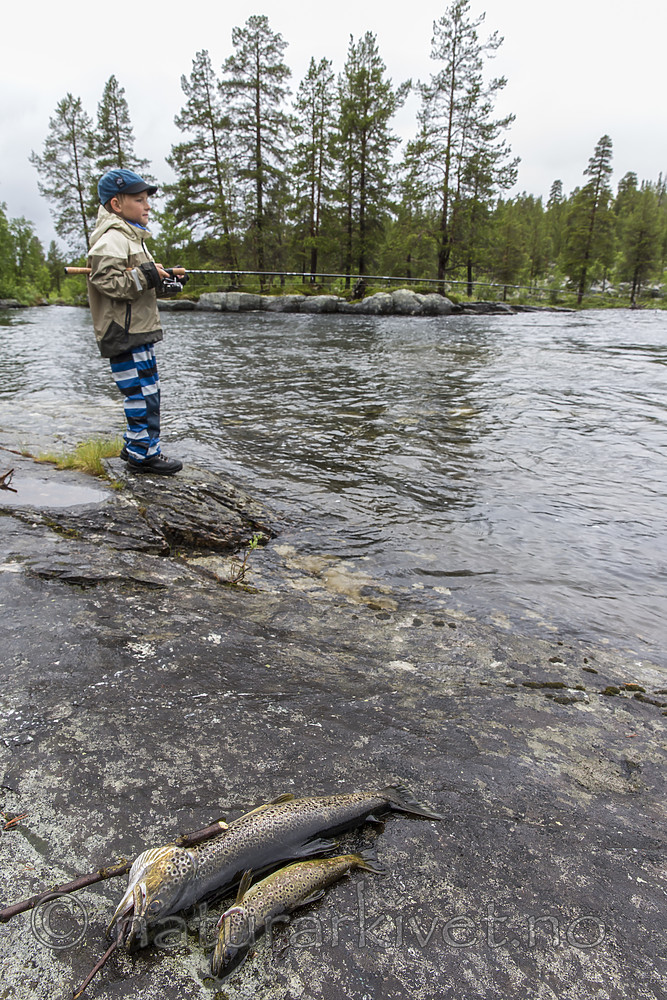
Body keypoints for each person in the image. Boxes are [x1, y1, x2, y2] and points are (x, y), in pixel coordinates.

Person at [87, 168, 187, 475]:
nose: (148, 206)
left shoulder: (132, 239)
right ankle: (143, 454)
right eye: (139, 199)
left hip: (138, 331)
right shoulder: (112, 239)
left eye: (147, 200)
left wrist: (167, 280)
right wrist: (147, 274)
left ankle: (137, 446)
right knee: (141, 395)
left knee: (148, 392)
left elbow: (139, 285)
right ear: (117, 205)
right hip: (124, 333)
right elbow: (107, 281)